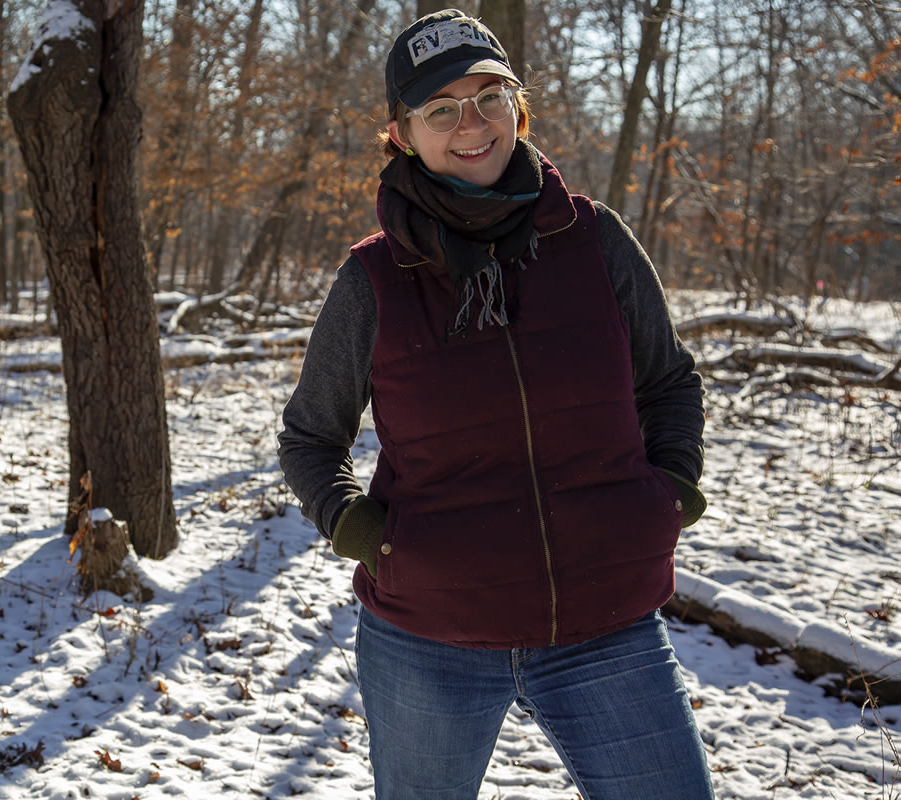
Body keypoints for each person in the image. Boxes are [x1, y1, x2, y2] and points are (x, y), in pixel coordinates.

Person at [277, 9, 715, 799]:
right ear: (403, 135)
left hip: (607, 623)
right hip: (430, 636)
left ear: (519, 107)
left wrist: (670, 490)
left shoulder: (595, 240)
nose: (469, 124)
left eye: (488, 97)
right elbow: (312, 436)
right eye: (440, 109)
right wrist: (362, 530)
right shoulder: (374, 280)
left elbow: (668, 381)